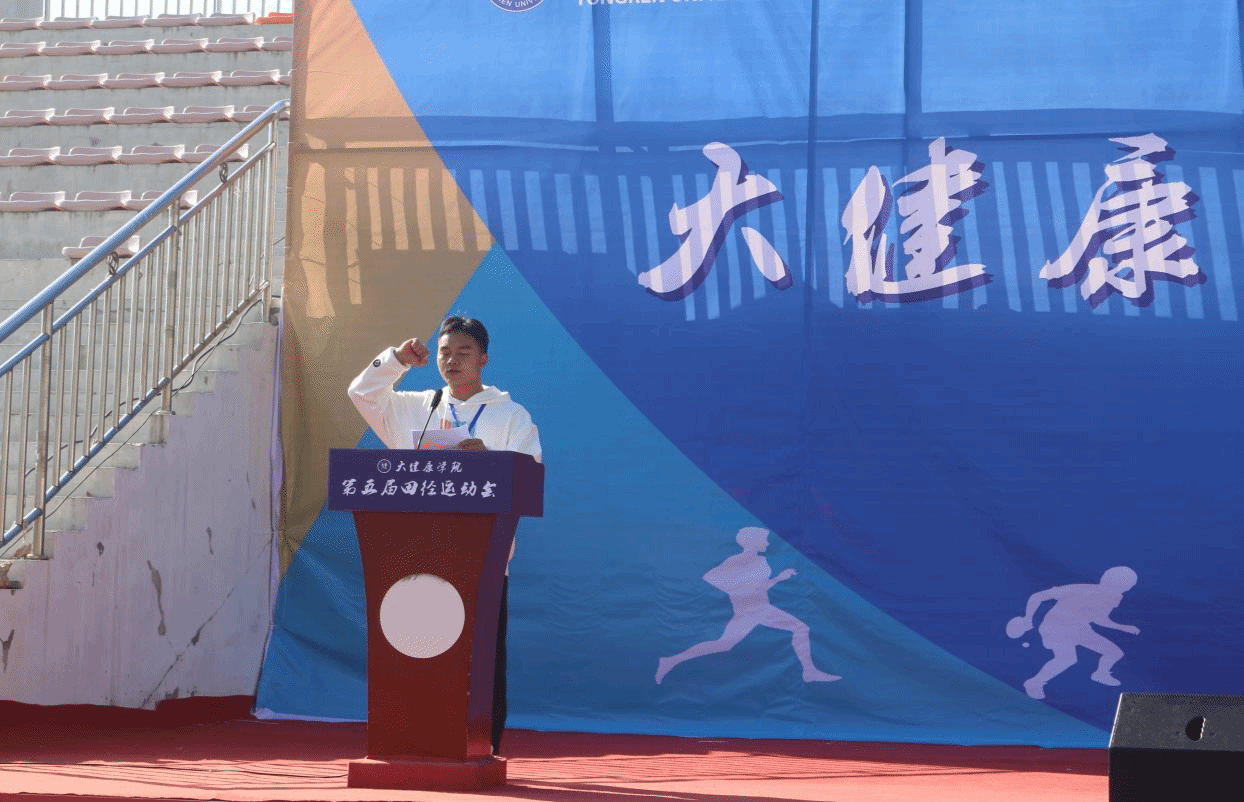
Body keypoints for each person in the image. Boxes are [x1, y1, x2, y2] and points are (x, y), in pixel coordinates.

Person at [347, 315, 541, 755]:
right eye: (445, 352)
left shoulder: (510, 415)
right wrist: (397, 360)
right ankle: (414, 739)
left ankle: (482, 746)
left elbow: (530, 474)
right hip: (414, 559)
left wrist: (491, 460)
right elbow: (362, 393)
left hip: (483, 559)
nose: (452, 361)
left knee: (480, 657)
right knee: (417, 649)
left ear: (483, 359)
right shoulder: (418, 407)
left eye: (463, 353)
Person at [655, 527, 841, 685]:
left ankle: (671, 660)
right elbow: (711, 577)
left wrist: (774, 579)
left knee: (724, 644)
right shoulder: (738, 560)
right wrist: (737, 588)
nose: (767, 543)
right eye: (764, 540)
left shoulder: (760, 560)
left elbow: (758, 587)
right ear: (753, 542)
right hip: (754, 610)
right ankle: (809, 671)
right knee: (800, 628)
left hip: (757, 609)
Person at [1005, 566, 1140, 700]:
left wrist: (1123, 627)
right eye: (1116, 583)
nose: (1121, 588)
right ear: (1104, 579)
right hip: (1055, 628)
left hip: (1080, 629)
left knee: (1114, 653)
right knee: (1067, 659)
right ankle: (1034, 683)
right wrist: (1027, 618)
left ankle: (1100, 674)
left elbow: (1100, 619)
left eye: (1124, 586)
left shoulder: (1114, 598)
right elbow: (1037, 596)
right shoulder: (1078, 589)